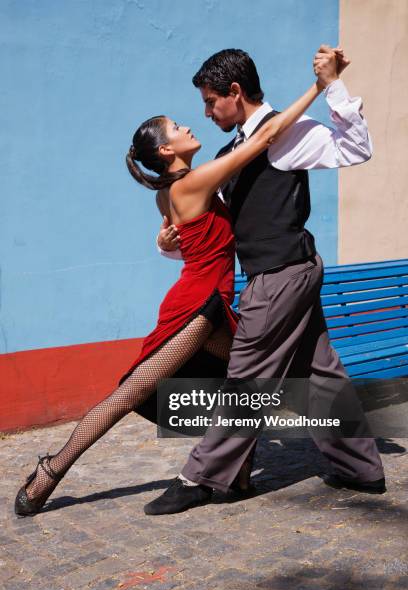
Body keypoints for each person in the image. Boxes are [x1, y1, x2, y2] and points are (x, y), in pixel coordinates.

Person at [14, 62, 325, 517]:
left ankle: (238, 465)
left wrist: (164, 242)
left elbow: (197, 234)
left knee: (250, 380)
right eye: (178, 127)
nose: (189, 125)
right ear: (166, 148)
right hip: (197, 308)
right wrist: (318, 86)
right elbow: (262, 138)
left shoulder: (173, 191)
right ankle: (51, 469)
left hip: (211, 301)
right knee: (132, 391)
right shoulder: (194, 183)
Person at [144, 45, 386, 516]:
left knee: (247, 375)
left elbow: (357, 148)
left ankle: (201, 477)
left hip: (280, 275)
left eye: (211, 102)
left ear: (235, 92)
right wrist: (167, 241)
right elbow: (210, 229)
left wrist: (332, 85)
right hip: (281, 273)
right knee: (317, 375)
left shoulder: (290, 133)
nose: (207, 112)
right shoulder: (228, 152)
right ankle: (361, 468)